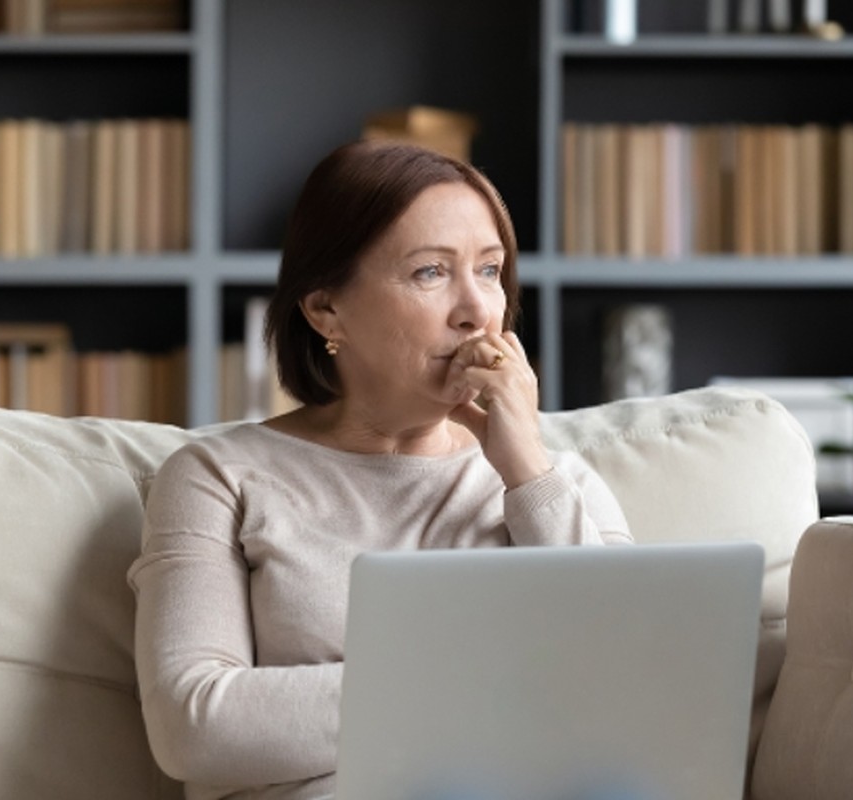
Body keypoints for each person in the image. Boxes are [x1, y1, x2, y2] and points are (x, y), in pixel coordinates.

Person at [128, 141, 633, 800]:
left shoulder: (551, 483)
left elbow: (625, 704)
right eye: (430, 273)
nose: (478, 309)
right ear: (325, 310)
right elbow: (194, 727)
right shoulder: (216, 477)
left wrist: (527, 473)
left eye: (489, 270)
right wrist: (503, 687)